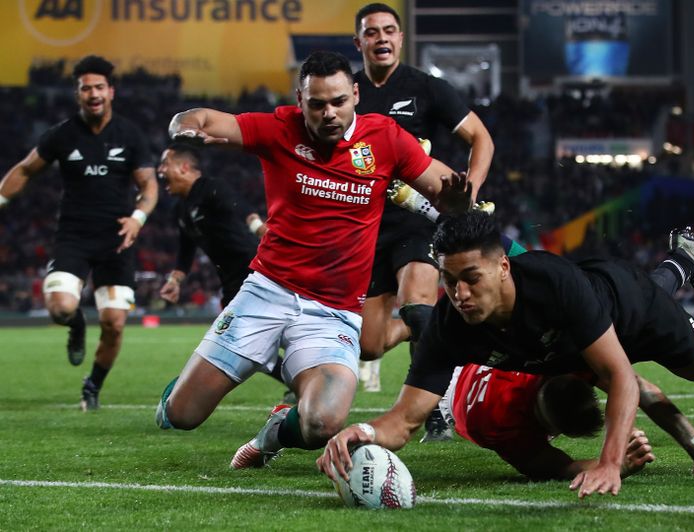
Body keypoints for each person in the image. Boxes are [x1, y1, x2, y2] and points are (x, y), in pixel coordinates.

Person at [317, 211, 694, 499]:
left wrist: (610, 464)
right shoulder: (451, 324)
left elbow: (621, 377)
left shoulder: (553, 286)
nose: (460, 294)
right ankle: (681, 263)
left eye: (471, 278)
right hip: (575, 341)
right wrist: (362, 432)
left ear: (503, 268)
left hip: (627, 307)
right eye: (449, 281)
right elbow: (405, 420)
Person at [152, 52, 471, 472]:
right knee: (182, 415)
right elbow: (202, 119)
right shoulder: (278, 128)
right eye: (317, 104)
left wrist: (457, 200)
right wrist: (184, 127)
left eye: (339, 101)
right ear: (300, 100)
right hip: (266, 293)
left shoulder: (386, 138)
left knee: (322, 422)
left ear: (355, 94)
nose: (329, 113)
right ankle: (179, 397)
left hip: (334, 312)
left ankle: (272, 434)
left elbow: (442, 189)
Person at [352, 2, 494, 443]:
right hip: (367, 226)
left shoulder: (427, 88)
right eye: (371, 32)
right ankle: (438, 325)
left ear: (400, 38)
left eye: (388, 30)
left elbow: (481, 137)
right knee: (370, 344)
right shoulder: (348, 94)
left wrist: (469, 192)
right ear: (359, 42)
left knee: (416, 303)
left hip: (419, 219)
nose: (381, 38)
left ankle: (435, 408)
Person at [0, 55, 158, 411]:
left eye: (99, 87)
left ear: (111, 91)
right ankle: (76, 325)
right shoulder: (62, 134)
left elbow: (148, 186)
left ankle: (92, 386)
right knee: (60, 308)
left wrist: (138, 218)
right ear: (78, 94)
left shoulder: (130, 135)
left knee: (114, 324)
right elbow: (25, 170)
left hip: (117, 239)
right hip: (73, 236)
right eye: (86, 88)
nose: (93, 94)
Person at [444, 364, 694, 480]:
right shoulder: (498, 423)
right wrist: (615, 465)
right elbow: (556, 467)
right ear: (552, 432)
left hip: (489, 363)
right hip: (453, 395)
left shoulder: (559, 356)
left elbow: (638, 388)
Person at [156, 143, 288, 391]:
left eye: (165, 164)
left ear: (184, 167)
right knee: (245, 340)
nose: (160, 170)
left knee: (257, 335)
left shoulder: (210, 188)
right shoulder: (181, 209)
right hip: (230, 281)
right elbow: (186, 250)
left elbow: (241, 208)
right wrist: (175, 281)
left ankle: (314, 366)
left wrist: (259, 228)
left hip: (252, 271)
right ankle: (299, 380)